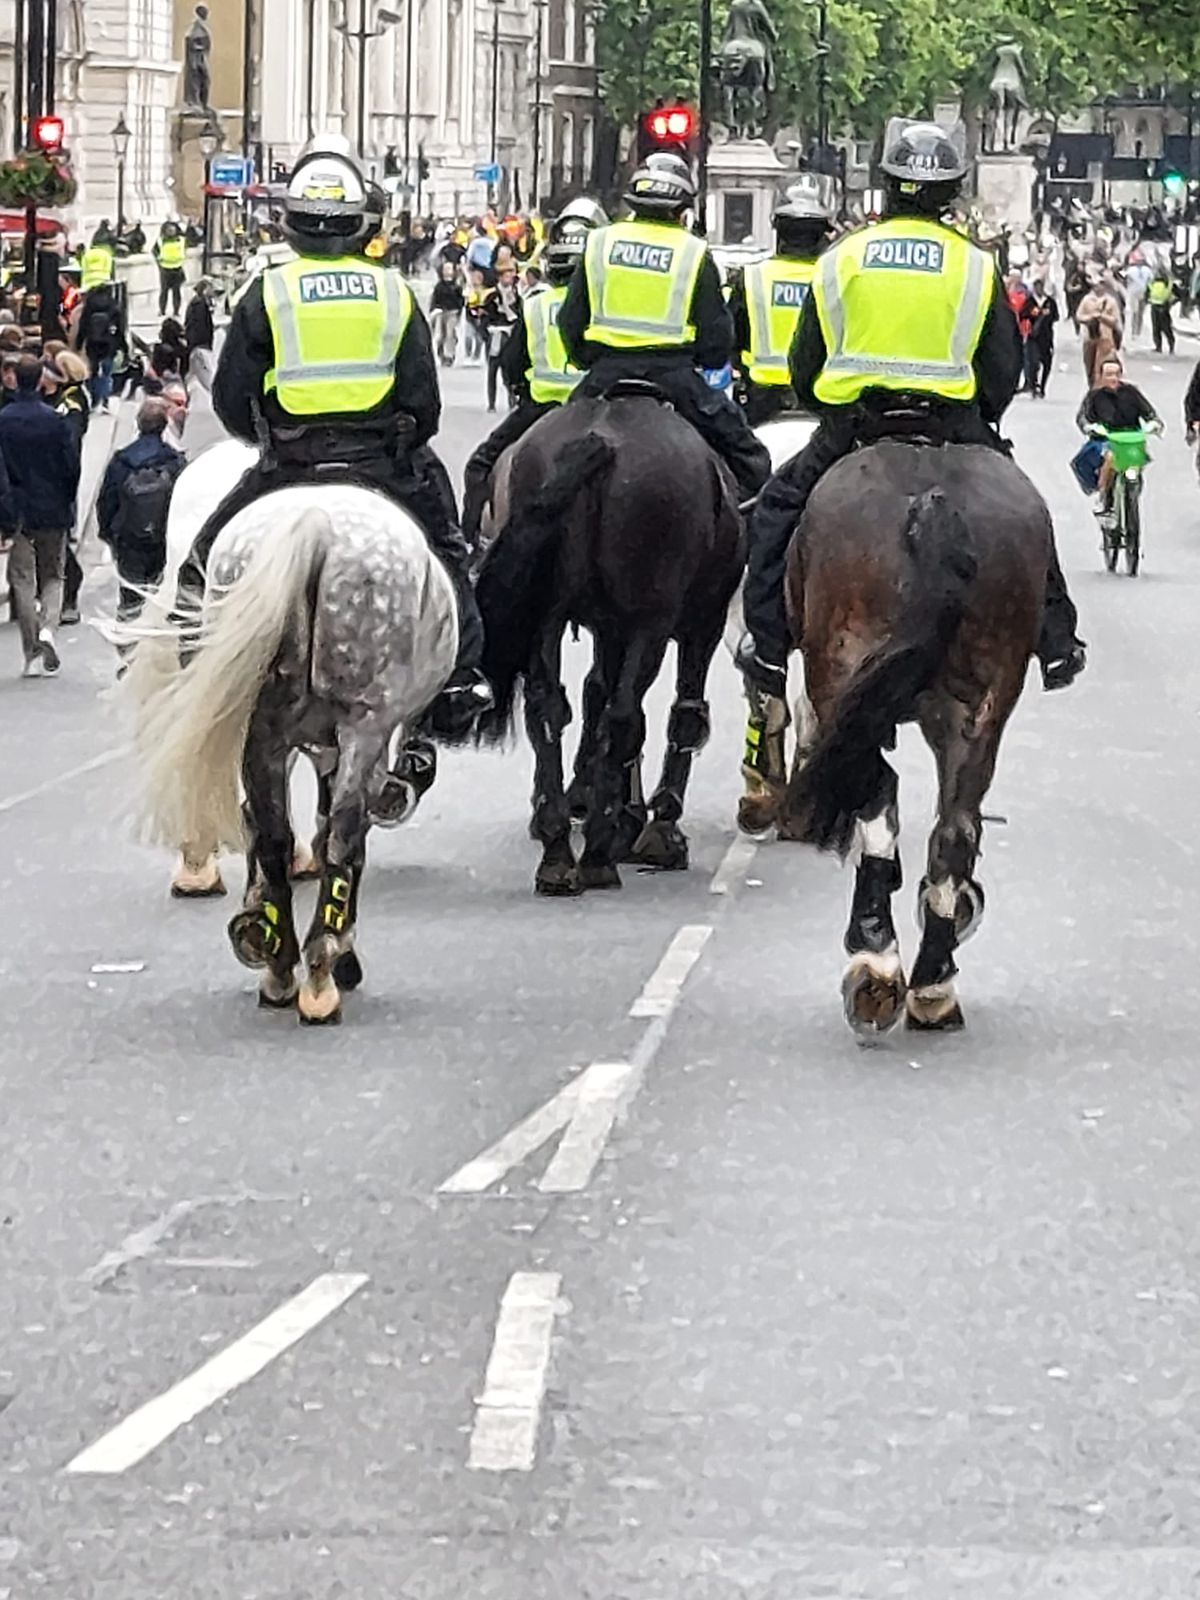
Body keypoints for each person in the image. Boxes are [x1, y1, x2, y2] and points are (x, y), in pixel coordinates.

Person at [737, 117, 1085, 720]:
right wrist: (977, 416)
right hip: (952, 425)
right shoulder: (976, 264)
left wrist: (832, 406)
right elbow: (1002, 366)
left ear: (888, 185)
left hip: (856, 427)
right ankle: (1055, 639)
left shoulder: (842, 258)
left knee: (775, 511)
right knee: (1027, 513)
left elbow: (805, 362)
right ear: (950, 192)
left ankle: (766, 645)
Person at [173, 132, 490, 736]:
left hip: (289, 461)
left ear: (291, 225)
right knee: (450, 552)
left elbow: (232, 393)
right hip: (380, 464)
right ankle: (460, 679)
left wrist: (265, 434)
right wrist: (403, 433)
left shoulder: (267, 290)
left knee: (203, 556)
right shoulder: (394, 291)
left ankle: (194, 647)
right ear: (359, 225)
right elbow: (424, 402)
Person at [557, 156, 771, 501]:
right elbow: (716, 338)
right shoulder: (693, 251)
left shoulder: (599, 243)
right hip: (674, 376)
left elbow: (569, 319)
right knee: (751, 458)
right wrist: (704, 359)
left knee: (550, 453)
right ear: (681, 210)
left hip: (605, 374)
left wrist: (586, 359)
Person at [461, 200, 606, 546]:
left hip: (539, 411)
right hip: (599, 407)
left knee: (480, 465)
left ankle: (469, 550)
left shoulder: (536, 305)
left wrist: (521, 389)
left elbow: (513, 363)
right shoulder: (604, 304)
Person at [0, 352, 80, 676]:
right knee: (53, 574)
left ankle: (31, 645)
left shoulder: (3, 420)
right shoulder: (56, 420)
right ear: (41, 381)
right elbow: (70, 465)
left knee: (22, 578)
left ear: (16, 379)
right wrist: (68, 499)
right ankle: (49, 627)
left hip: (18, 508)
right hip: (52, 506)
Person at [728, 182, 833, 424]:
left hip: (761, 401)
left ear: (778, 230)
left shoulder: (751, 277)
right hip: (821, 402)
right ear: (821, 234)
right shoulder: (834, 278)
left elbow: (729, 336)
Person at [97, 395, 185, 630]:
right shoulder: (175, 462)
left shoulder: (122, 461)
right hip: (160, 537)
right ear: (165, 425)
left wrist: (108, 533)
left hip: (129, 537)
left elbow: (107, 500)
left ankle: (128, 646)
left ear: (138, 423)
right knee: (158, 592)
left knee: (130, 596)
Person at [1077, 355, 1161, 522]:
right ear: (1101, 377)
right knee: (1110, 458)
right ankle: (1104, 498)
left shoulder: (1132, 393)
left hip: (1131, 439)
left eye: (1116, 374)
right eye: (1108, 374)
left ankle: (1132, 492)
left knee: (1136, 464)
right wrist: (1089, 427)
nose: (1113, 378)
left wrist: (1154, 423)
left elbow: (1149, 413)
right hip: (1105, 438)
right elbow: (1082, 418)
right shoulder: (1094, 397)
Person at [44, 350, 91, 623]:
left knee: (58, 535)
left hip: (61, 475)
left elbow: (68, 439)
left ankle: (71, 584)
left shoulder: (70, 402)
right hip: (58, 474)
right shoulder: (65, 398)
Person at [77, 278, 125, 412]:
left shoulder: (89, 306)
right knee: (107, 373)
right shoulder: (113, 305)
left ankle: (94, 399)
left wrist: (79, 342)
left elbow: (83, 325)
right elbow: (120, 327)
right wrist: (122, 346)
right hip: (109, 343)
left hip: (92, 343)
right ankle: (105, 400)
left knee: (93, 371)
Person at [480, 263, 521, 412]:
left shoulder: (515, 295)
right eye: (506, 276)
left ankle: (512, 398)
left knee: (508, 371)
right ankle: (491, 402)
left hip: (509, 335)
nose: (509, 279)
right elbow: (484, 317)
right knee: (493, 370)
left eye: (511, 276)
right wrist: (486, 334)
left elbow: (519, 315)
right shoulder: (492, 296)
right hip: (495, 334)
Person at [1076, 280, 1122, 388]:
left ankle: (1102, 386)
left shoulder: (1111, 302)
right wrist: (1090, 318)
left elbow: (1115, 320)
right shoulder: (1087, 300)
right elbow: (1079, 316)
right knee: (1089, 365)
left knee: (1102, 365)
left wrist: (1102, 317)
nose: (1098, 288)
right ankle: (1092, 386)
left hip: (1106, 339)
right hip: (1090, 337)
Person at [1023, 278, 1058, 398]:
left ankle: (1042, 387)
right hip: (1033, 336)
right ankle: (1033, 385)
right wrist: (1033, 313)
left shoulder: (1049, 302)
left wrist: (1047, 315)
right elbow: (1023, 314)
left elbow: (1055, 317)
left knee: (1047, 363)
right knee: (1032, 362)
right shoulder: (1030, 301)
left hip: (1046, 336)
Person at [429, 260, 466, 366]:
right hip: (440, 312)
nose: (447, 271)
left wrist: (459, 310)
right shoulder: (439, 286)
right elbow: (434, 299)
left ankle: (449, 355)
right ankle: (440, 352)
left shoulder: (457, 286)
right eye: (445, 269)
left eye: (449, 269)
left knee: (450, 333)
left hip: (452, 312)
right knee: (440, 334)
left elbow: (461, 301)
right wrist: (433, 310)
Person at [184, 276, 216, 388]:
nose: (213, 290)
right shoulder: (199, 304)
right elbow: (200, 326)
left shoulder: (199, 302)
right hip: (200, 345)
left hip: (198, 344)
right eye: (211, 288)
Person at [155, 221, 188, 316]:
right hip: (165, 269)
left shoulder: (181, 240)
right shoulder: (160, 241)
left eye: (172, 230)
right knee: (164, 292)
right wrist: (159, 265)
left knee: (176, 292)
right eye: (168, 230)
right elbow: (155, 252)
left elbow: (185, 249)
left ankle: (176, 311)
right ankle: (162, 310)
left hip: (177, 268)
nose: (170, 231)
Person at [79, 224, 116, 293]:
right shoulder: (106, 256)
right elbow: (112, 275)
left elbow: (83, 269)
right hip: (103, 287)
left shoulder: (87, 255)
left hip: (87, 287)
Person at [1148, 270, 1176, 355]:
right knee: (1167, 328)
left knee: (1156, 328)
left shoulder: (1152, 284)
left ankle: (1158, 347)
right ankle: (1171, 346)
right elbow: (1177, 294)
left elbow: (1147, 294)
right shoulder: (1169, 284)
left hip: (1154, 307)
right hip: (1164, 307)